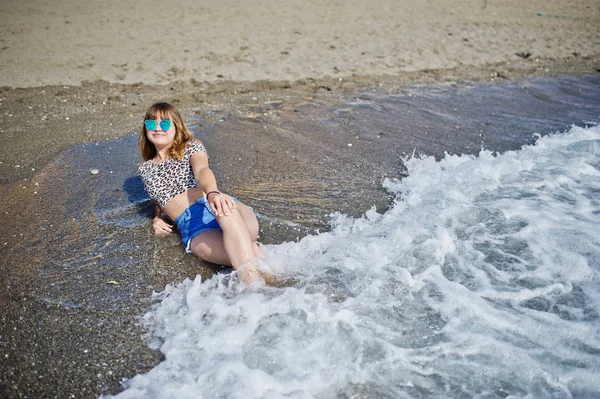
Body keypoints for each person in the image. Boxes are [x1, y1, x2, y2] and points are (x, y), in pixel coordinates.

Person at [138, 102, 265, 283]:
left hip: (217, 204)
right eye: (151, 124)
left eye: (164, 123)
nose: (157, 128)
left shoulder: (191, 147)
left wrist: (212, 193)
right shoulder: (146, 169)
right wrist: (157, 217)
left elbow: (202, 171)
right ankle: (274, 292)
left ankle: (254, 294)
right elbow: (158, 198)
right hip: (194, 227)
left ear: (177, 126)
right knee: (253, 254)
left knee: (225, 213)